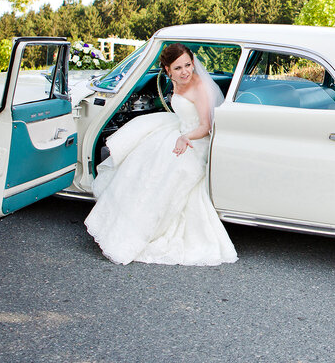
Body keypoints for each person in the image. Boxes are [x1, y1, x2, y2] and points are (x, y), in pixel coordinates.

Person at [85, 43, 237, 266]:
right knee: (140, 157)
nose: (185, 71)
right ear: (167, 70)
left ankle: (146, 231)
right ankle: (126, 222)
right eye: (178, 68)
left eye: (188, 65)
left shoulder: (200, 86)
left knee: (169, 168)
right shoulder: (174, 82)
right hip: (179, 130)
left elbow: (205, 126)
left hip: (196, 139)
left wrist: (186, 138)